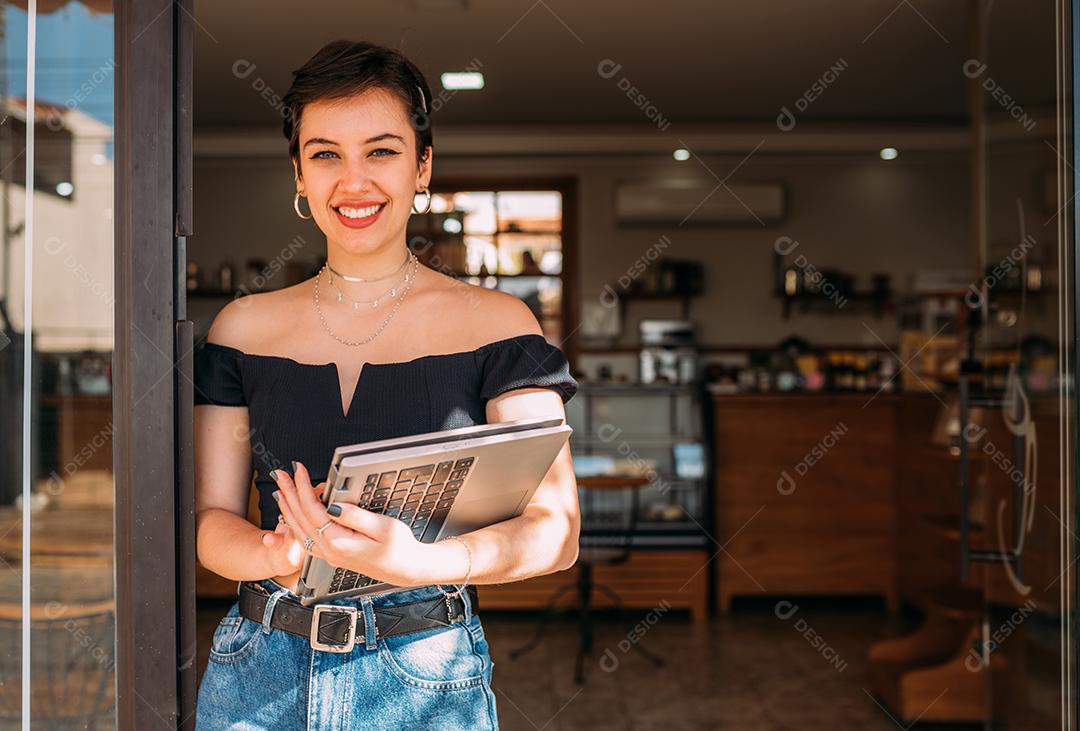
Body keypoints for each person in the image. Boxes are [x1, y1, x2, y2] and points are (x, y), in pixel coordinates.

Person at [193, 39, 580, 730]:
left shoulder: (497, 323)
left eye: (381, 150)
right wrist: (271, 554)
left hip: (424, 671)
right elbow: (209, 522)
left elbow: (557, 532)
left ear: (422, 165)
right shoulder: (241, 327)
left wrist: (423, 560)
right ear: (299, 173)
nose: (354, 181)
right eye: (324, 153)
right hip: (257, 669)